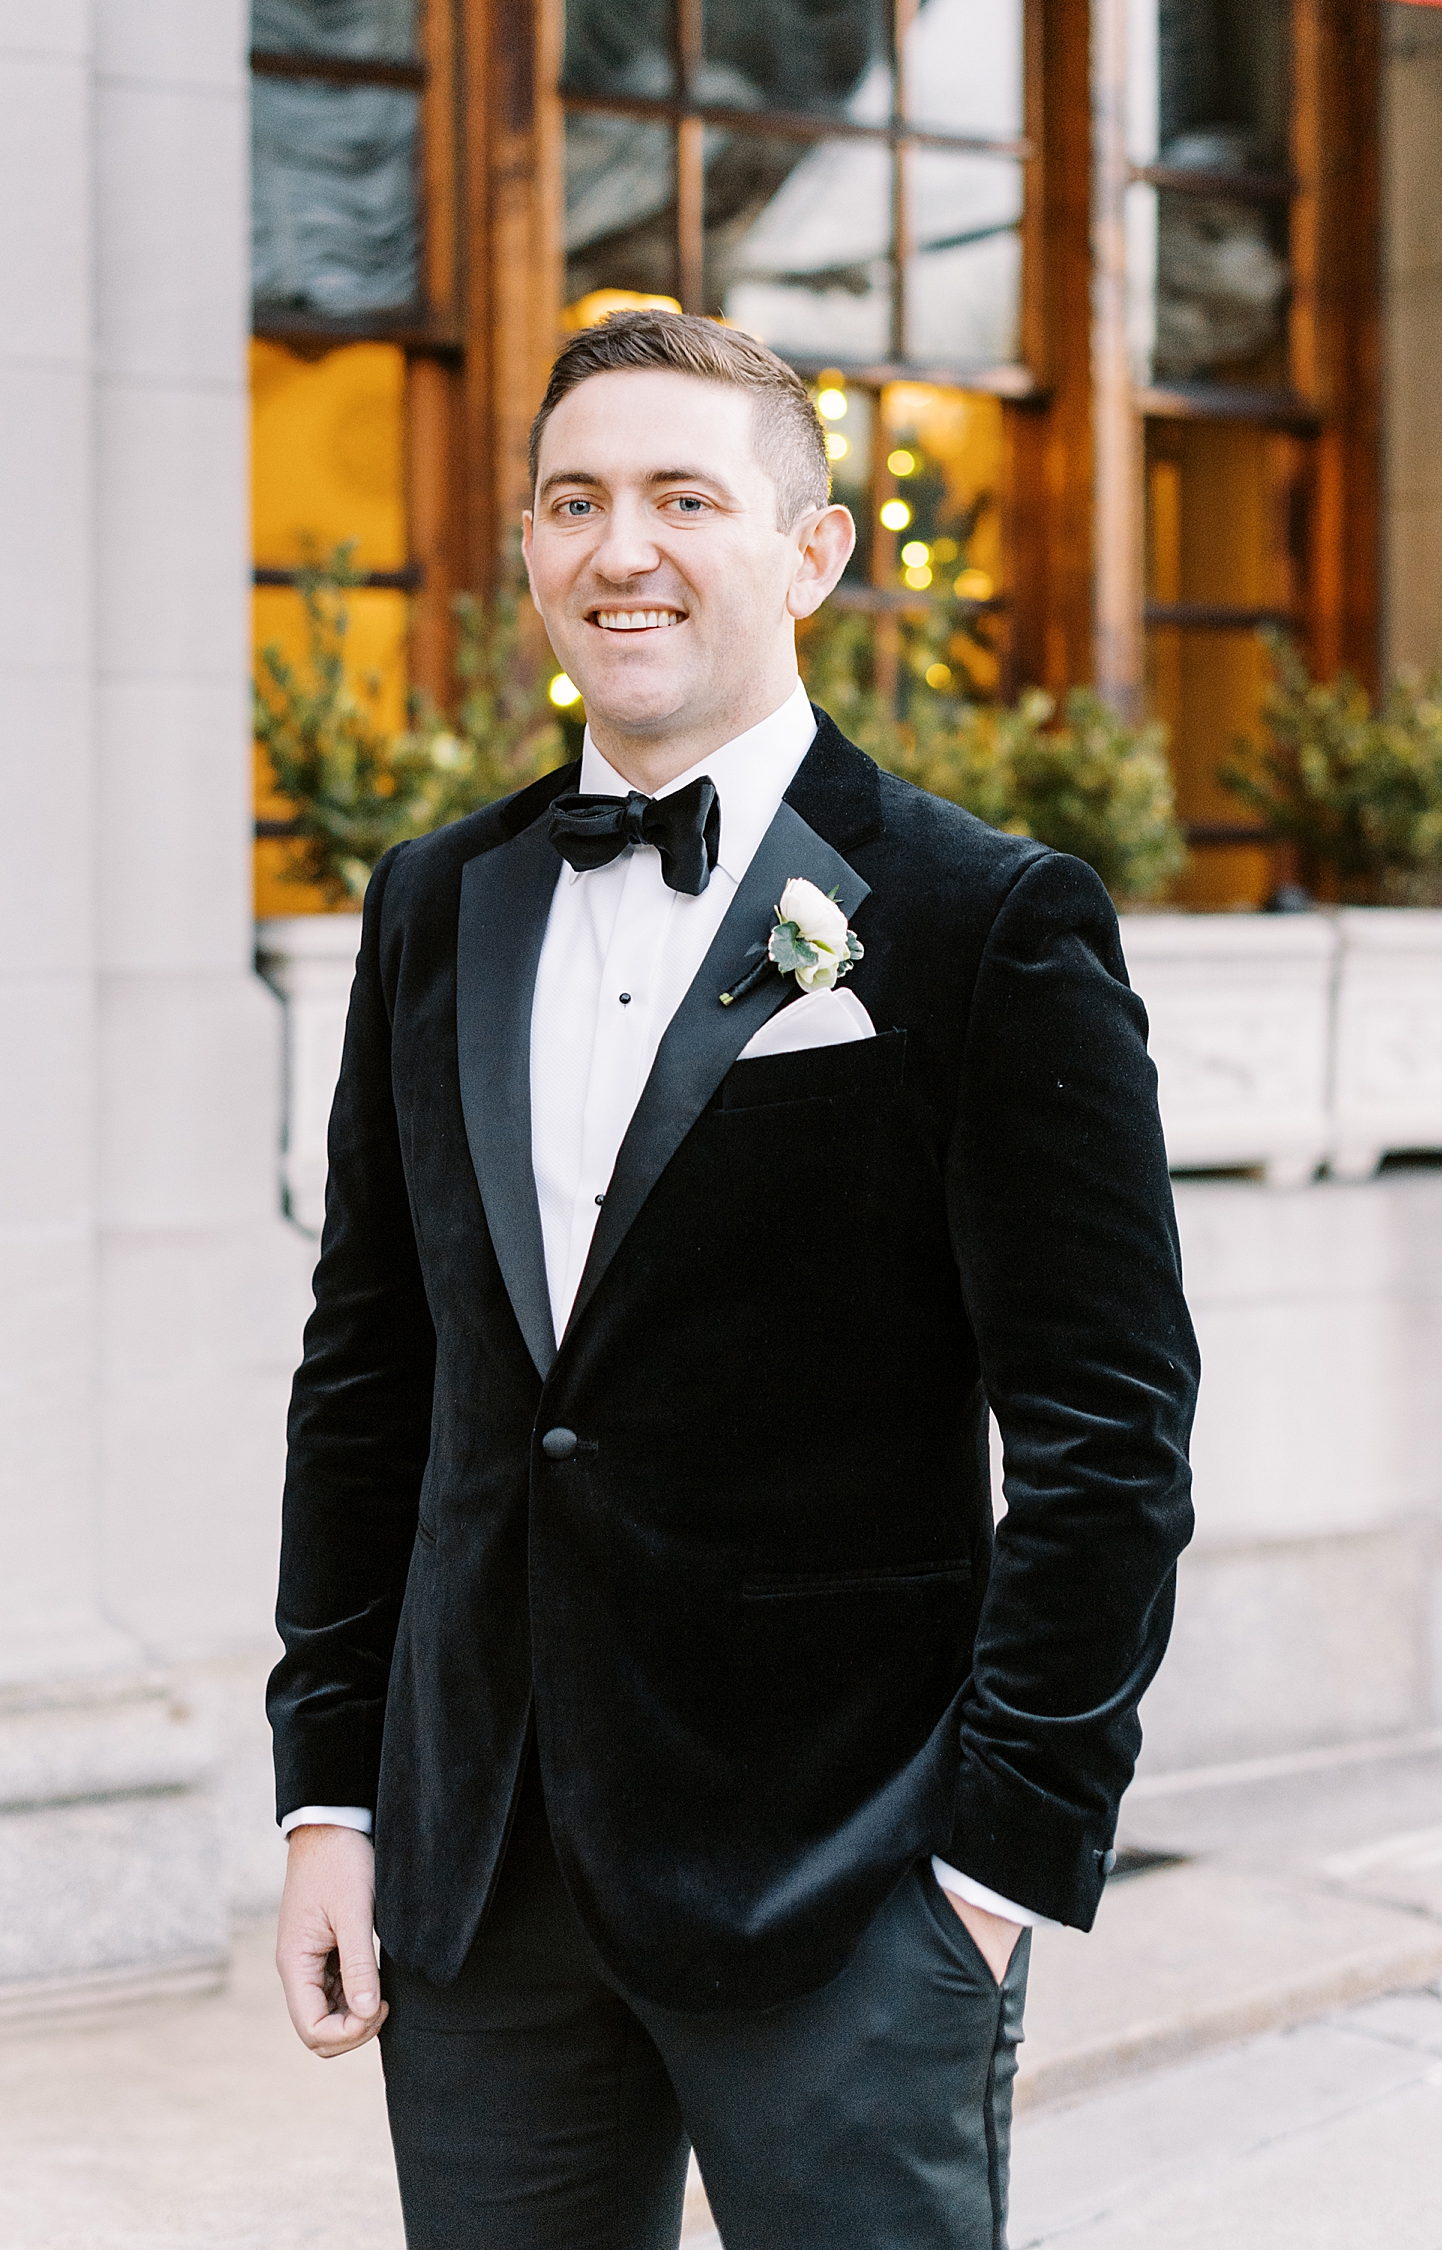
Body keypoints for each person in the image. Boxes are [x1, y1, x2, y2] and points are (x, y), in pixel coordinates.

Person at [269, 309, 1198, 2250]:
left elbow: (1110, 1436)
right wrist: (332, 1803)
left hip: (849, 1890)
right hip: (482, 1879)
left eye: (687, 497)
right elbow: (374, 1372)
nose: (624, 549)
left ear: (814, 554)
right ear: (527, 546)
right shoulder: (435, 905)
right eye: (576, 500)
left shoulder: (984, 921)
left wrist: (998, 1869)